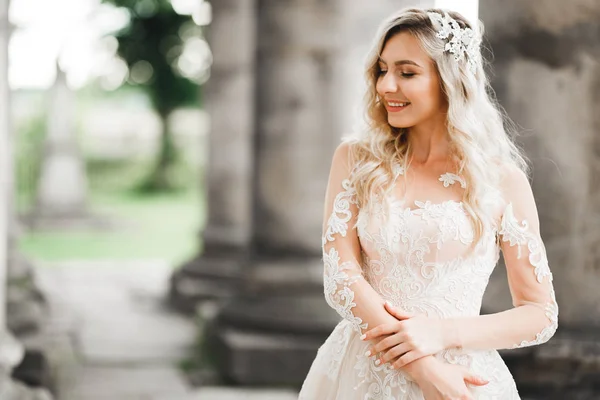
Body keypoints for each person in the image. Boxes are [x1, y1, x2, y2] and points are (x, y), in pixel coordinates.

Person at [298, 7, 558, 400]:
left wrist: (441, 333)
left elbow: (540, 314)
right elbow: (340, 278)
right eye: (382, 70)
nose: (386, 85)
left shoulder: (501, 181)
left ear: (450, 81)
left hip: (465, 380)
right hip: (362, 373)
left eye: (406, 73)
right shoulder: (355, 160)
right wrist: (423, 368)